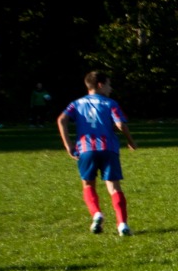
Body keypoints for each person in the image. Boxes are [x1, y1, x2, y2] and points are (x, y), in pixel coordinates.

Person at [56, 71, 135, 236]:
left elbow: (61, 120)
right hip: (109, 149)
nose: (111, 88)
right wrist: (130, 140)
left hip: (85, 149)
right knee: (114, 187)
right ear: (100, 85)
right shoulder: (110, 103)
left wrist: (68, 144)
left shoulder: (76, 104)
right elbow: (120, 124)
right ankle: (122, 224)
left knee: (88, 184)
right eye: (109, 84)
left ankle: (97, 214)